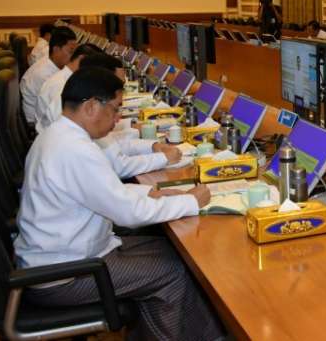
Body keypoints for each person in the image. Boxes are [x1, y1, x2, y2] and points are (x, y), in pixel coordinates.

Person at [16, 66, 222, 341]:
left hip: (73, 255)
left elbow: (105, 192)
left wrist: (151, 193)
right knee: (174, 271)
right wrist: (191, 201)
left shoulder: (61, 135)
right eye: (115, 110)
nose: (117, 118)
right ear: (91, 106)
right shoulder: (74, 149)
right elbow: (128, 213)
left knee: (173, 251)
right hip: (64, 276)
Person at [79, 54, 181, 178]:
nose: (118, 117)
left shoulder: (84, 121)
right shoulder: (77, 139)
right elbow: (119, 166)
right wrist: (163, 158)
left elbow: (114, 144)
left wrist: (153, 146)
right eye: (115, 108)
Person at [34, 43, 101, 134]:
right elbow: (66, 127)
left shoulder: (66, 78)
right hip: (51, 135)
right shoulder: (62, 85)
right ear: (81, 59)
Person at [22, 27, 77, 130]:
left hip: (38, 118)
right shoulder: (44, 74)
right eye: (71, 52)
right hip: (33, 125)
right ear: (56, 49)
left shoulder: (49, 63)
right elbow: (56, 110)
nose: (74, 57)